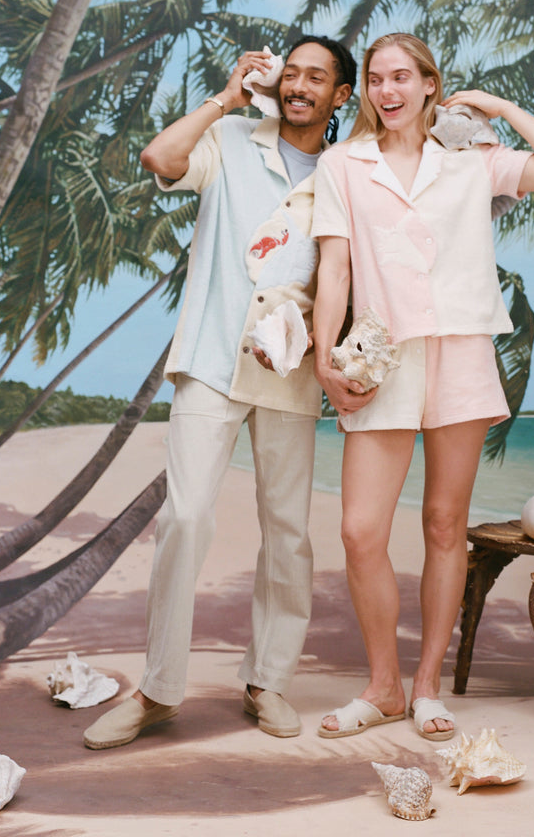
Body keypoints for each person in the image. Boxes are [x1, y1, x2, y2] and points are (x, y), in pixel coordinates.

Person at [310, 33, 534, 741]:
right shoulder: (344, 164)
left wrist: (498, 105)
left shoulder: (471, 165)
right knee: (359, 530)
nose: (386, 91)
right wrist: (323, 359)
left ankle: (426, 687)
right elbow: (335, 270)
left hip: (460, 354)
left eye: (401, 77)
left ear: (430, 84)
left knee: (442, 525)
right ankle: (382, 686)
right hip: (380, 357)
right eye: (374, 79)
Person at [83, 36, 356, 749]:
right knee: (187, 516)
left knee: (288, 533)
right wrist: (225, 96)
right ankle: (157, 690)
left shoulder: (349, 169)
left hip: (290, 367)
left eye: (316, 78)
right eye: (290, 73)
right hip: (210, 354)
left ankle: (267, 681)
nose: (299, 86)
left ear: (340, 96)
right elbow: (160, 160)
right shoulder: (232, 137)